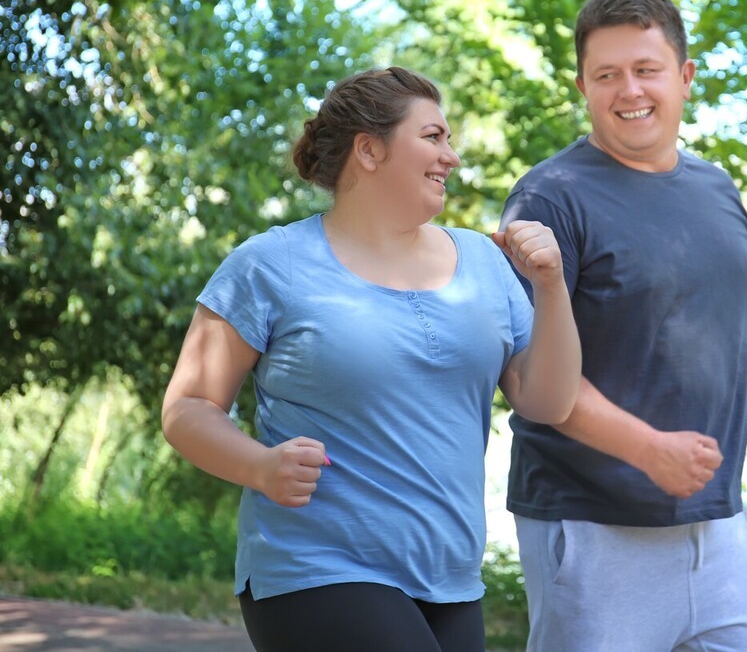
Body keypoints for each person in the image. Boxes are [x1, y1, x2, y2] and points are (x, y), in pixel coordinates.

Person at [161, 66, 581, 652]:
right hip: (315, 567)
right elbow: (188, 408)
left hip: (450, 577)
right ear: (369, 150)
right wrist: (259, 467)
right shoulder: (270, 264)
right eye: (433, 137)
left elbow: (550, 401)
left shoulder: (485, 264)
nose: (452, 157)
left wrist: (553, 284)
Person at [501, 0, 747, 652]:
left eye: (646, 70)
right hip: (590, 528)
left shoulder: (716, 190)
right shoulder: (548, 198)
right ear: (583, 85)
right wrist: (646, 449)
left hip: (718, 528)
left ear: (685, 77)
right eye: (607, 75)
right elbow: (529, 374)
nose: (628, 90)